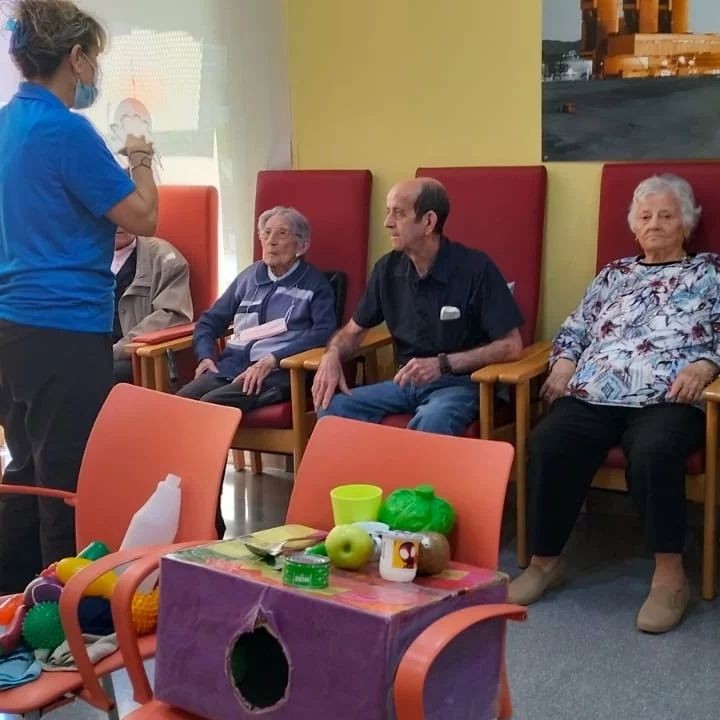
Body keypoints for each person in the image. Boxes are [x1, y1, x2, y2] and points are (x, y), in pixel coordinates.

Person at [508, 174, 720, 634]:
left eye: (666, 216)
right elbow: (576, 327)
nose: (655, 224)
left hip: (669, 396)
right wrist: (564, 363)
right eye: (645, 216)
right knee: (550, 442)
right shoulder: (614, 275)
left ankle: (670, 578)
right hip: (596, 392)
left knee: (654, 451)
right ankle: (545, 562)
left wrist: (705, 365)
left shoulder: (709, 273)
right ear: (633, 226)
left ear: (687, 224)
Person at [0, 0, 157, 592]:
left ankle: (15, 604)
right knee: (66, 479)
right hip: (64, 329)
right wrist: (139, 154)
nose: (94, 70)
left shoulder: (7, 123)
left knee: (25, 469)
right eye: (93, 57)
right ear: (75, 57)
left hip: (11, 328)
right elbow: (143, 216)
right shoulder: (66, 130)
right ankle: (61, 611)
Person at [312, 177, 523, 436]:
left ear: (428, 222)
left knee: (432, 419)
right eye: (388, 212)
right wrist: (332, 354)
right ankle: (373, 465)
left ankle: (411, 465)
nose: (387, 222)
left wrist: (442, 364)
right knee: (333, 408)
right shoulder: (386, 269)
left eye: (398, 213)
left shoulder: (475, 269)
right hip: (405, 383)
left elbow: (511, 345)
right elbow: (352, 332)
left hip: (460, 384)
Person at [178, 206, 336, 413]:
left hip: (278, 373)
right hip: (229, 368)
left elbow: (323, 332)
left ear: (302, 245)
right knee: (178, 404)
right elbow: (210, 321)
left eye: (282, 233)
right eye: (266, 233)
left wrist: (274, 359)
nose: (271, 241)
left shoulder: (314, 284)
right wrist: (205, 356)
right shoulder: (249, 278)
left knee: (211, 406)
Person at [112, 228, 193, 384]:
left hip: (137, 357)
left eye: (125, 217)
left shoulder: (165, 258)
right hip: (92, 349)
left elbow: (173, 315)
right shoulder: (82, 257)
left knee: (98, 375)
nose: (119, 225)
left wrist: (118, 349)